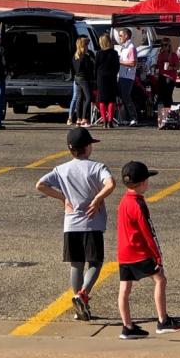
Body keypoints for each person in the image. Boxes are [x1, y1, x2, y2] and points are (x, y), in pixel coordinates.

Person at [35, 127, 116, 323]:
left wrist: (62, 198)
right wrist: (97, 198)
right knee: (95, 262)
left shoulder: (61, 169)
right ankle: (83, 294)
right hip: (92, 224)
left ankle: (81, 306)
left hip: (71, 224)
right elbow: (111, 183)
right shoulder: (96, 167)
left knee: (76, 264)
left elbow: (40, 185)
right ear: (87, 148)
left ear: (70, 150)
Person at [116, 161, 180, 339]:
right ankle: (163, 320)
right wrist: (157, 256)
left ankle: (127, 326)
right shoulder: (138, 204)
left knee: (124, 289)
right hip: (139, 252)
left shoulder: (124, 201)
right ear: (142, 183)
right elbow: (148, 232)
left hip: (124, 253)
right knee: (160, 279)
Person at [94, 34, 120, 128]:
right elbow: (117, 67)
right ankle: (110, 121)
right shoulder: (114, 53)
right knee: (111, 100)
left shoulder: (98, 53)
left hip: (101, 78)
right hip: (111, 77)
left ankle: (104, 121)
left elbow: (95, 67)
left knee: (102, 100)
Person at [115, 28, 139, 126]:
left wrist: (119, 62)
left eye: (121, 35)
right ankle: (125, 118)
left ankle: (134, 118)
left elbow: (133, 63)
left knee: (126, 97)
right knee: (122, 97)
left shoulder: (131, 47)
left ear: (126, 36)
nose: (119, 37)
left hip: (128, 76)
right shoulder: (123, 47)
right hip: (121, 75)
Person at [70, 36, 95, 127]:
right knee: (88, 97)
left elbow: (73, 68)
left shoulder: (76, 55)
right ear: (84, 45)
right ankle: (84, 119)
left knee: (79, 98)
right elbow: (90, 67)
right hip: (84, 78)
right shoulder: (85, 56)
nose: (88, 46)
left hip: (77, 78)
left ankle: (78, 119)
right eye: (87, 44)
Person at [156, 38, 179, 110]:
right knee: (160, 96)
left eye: (165, 45)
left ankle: (167, 113)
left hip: (170, 77)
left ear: (169, 45)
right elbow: (158, 66)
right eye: (162, 45)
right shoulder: (160, 54)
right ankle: (161, 114)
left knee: (168, 96)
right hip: (162, 76)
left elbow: (178, 67)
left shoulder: (173, 55)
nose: (163, 46)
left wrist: (171, 68)